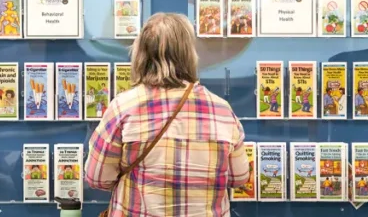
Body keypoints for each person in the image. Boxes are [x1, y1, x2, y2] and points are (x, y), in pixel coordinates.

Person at [84, 12, 250, 216]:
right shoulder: (222, 110)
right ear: (189, 53)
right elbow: (239, 177)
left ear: (140, 54)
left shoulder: (124, 107)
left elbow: (97, 177)